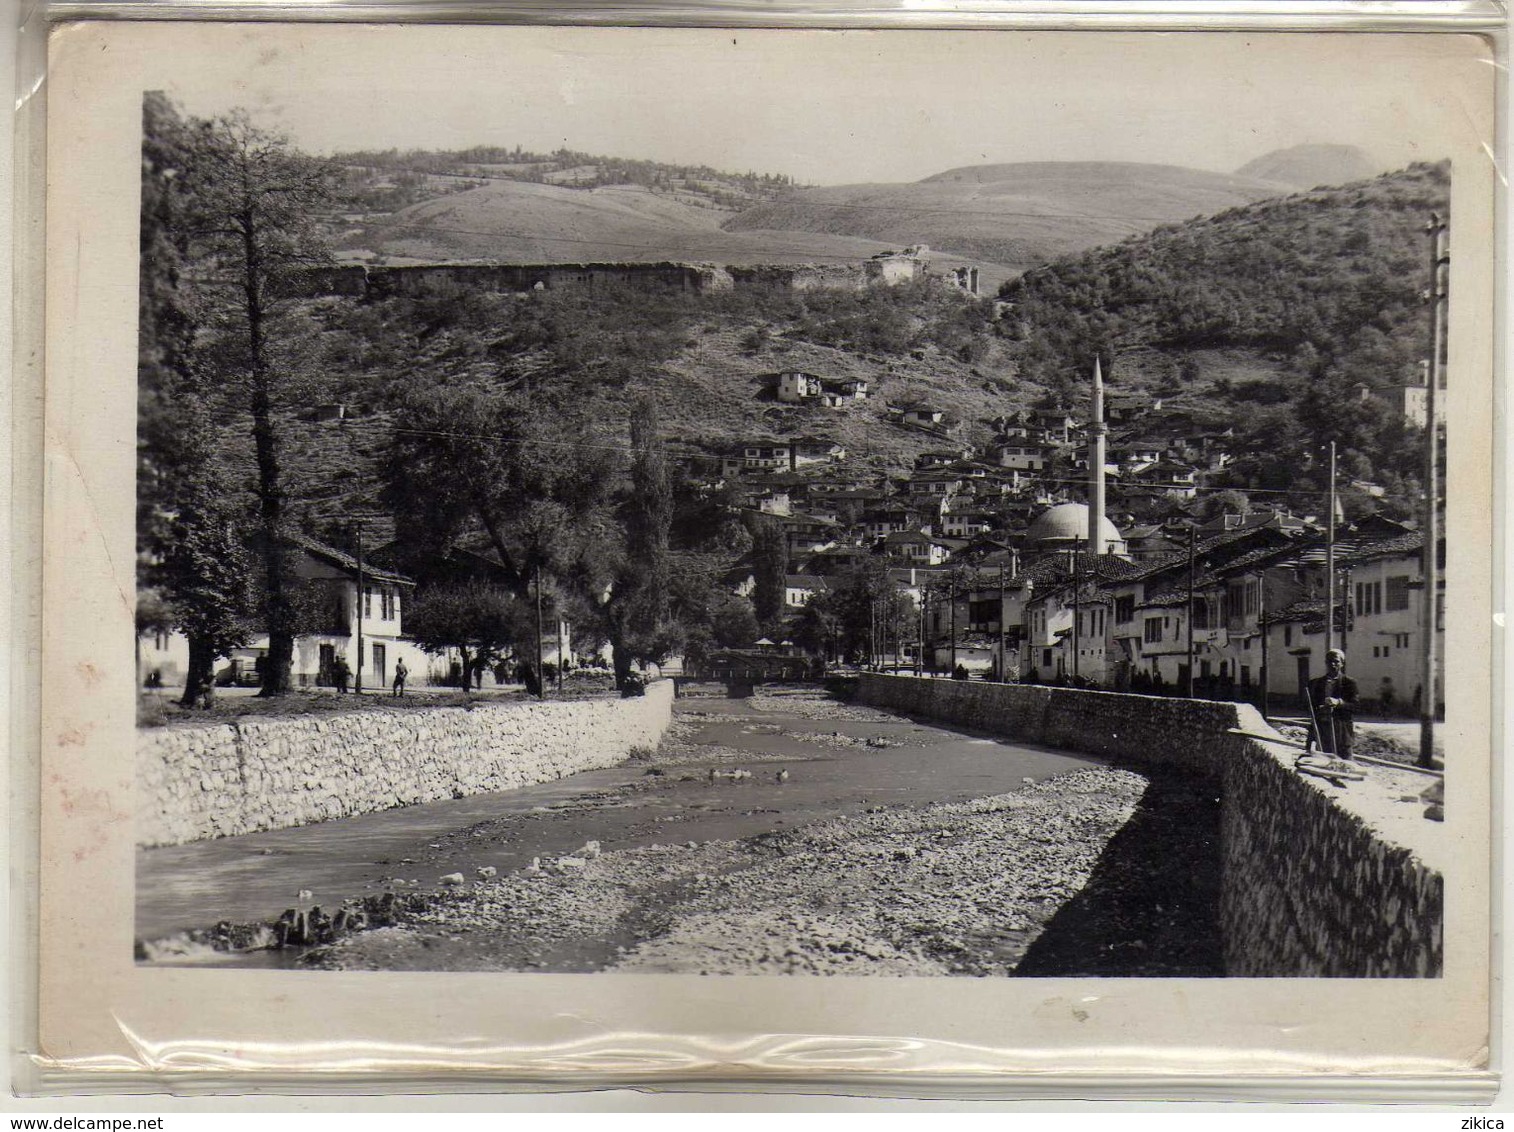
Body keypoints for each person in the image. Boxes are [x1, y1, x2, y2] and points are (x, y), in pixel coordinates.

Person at [1307, 648, 1358, 759]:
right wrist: (1320, 708)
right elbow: (1310, 706)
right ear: (1325, 663)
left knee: (1345, 767)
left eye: (1336, 661)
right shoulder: (1316, 683)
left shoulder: (1349, 683)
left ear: (1342, 664)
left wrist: (1338, 703)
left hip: (1341, 733)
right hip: (1322, 732)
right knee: (1321, 764)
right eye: (1329, 661)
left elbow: (1355, 706)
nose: (1332, 664)